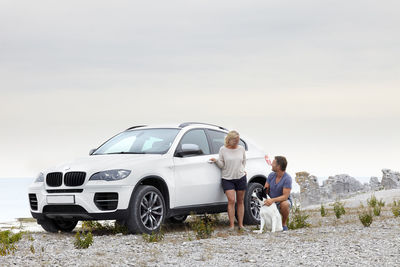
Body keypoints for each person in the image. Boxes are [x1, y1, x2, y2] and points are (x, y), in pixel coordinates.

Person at [210, 130, 247, 231]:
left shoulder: (241, 149)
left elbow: (243, 162)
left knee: (240, 201)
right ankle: (231, 226)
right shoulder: (223, 149)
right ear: (229, 140)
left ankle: (241, 225)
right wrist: (216, 161)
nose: (237, 142)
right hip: (227, 178)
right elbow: (222, 165)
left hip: (240, 177)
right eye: (235, 140)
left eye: (238, 140)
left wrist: (243, 170)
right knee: (231, 200)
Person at [264, 156, 292, 231]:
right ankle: (268, 225)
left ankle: (283, 224)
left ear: (278, 166)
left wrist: (272, 200)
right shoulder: (271, 175)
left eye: (273, 163)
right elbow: (265, 189)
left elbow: (285, 197)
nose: (271, 165)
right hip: (271, 200)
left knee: (285, 204)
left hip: (281, 201)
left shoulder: (287, 178)